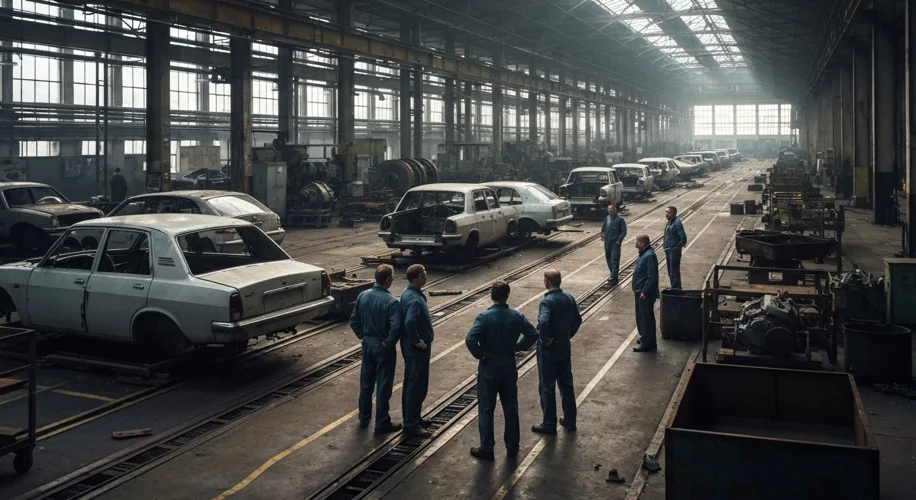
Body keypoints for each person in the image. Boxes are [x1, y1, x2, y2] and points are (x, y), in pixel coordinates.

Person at [466, 280, 539, 461]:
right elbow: (533, 334)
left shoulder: (484, 317)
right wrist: (518, 347)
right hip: (508, 365)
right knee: (510, 407)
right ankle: (512, 447)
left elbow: (470, 339)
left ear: (492, 295)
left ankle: (487, 448)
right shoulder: (517, 316)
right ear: (507, 295)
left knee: (486, 409)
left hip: (489, 367)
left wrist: (480, 354)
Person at [350, 264, 403, 434]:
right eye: (392, 276)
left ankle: (364, 418)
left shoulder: (363, 296)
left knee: (366, 384)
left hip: (367, 344)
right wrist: (388, 342)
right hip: (383, 346)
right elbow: (396, 327)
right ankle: (382, 422)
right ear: (387, 279)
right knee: (383, 386)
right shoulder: (392, 302)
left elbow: (354, 320)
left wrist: (363, 336)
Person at [532, 269, 582, 435]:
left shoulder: (547, 302)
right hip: (564, 346)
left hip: (549, 351)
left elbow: (543, 322)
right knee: (566, 384)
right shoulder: (569, 298)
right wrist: (568, 335)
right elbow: (577, 319)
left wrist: (545, 340)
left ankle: (549, 424)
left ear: (547, 281)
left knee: (547, 386)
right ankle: (570, 420)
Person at [400, 264, 433, 439]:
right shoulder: (414, 299)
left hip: (410, 348)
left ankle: (414, 418)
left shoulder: (408, 293)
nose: (427, 276)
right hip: (416, 350)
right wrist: (417, 341)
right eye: (425, 274)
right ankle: (411, 424)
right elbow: (409, 322)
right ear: (418, 277)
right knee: (416, 385)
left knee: (412, 383)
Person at [632, 234, 660, 352]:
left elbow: (652, 277)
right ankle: (647, 339)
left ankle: (647, 343)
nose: (635, 243)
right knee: (643, 317)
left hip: (644, 293)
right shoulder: (645, 254)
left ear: (642, 243)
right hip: (640, 291)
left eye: (637, 241)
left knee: (645, 318)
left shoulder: (649, 256)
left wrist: (645, 291)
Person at [601, 204, 627, 285]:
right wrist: (602, 236)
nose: (610, 210)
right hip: (607, 242)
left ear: (615, 210)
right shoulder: (606, 219)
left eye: (612, 209)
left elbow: (624, 231)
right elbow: (603, 229)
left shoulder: (620, 220)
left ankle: (613, 276)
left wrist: (619, 240)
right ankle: (613, 274)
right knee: (608, 259)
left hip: (615, 243)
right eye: (608, 209)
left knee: (614, 259)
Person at [663, 206, 687, 289]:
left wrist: (676, 247)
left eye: (669, 212)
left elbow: (683, 238)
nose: (666, 214)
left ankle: (676, 289)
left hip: (673, 251)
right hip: (668, 250)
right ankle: (674, 287)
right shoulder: (670, 222)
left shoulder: (677, 223)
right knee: (671, 271)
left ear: (674, 213)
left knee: (674, 271)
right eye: (666, 212)